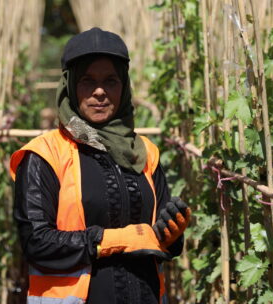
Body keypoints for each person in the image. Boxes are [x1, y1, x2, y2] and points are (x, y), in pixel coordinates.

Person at [10, 27, 191, 304]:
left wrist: (172, 235)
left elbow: (157, 240)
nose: (99, 92)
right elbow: (36, 242)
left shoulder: (145, 152)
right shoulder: (44, 154)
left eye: (111, 81)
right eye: (87, 81)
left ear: (124, 86)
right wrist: (111, 240)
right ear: (70, 85)